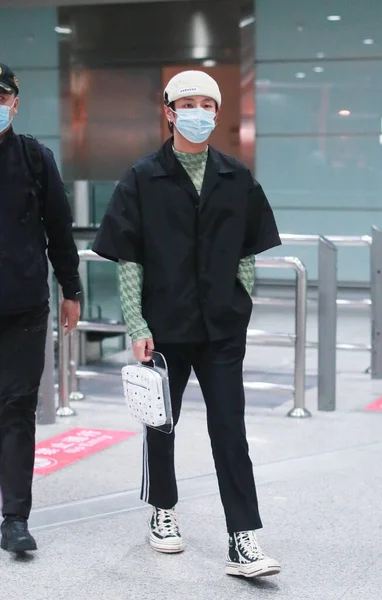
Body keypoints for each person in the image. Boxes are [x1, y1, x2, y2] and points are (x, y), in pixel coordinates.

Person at [93, 70, 281, 578]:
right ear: (170, 112)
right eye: (188, 104)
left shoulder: (235, 177)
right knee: (161, 424)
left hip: (221, 328)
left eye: (207, 104)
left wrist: (241, 303)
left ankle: (244, 537)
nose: (199, 113)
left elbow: (248, 250)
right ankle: (163, 511)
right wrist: (135, 324)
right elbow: (127, 257)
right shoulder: (142, 177)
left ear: (217, 113)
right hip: (165, 326)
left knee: (230, 430)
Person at [0, 63, 81, 553]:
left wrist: (71, 288)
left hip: (25, 306)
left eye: (1, 95)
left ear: (14, 102)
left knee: (16, 409)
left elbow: (60, 227)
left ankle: (14, 519)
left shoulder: (34, 157)